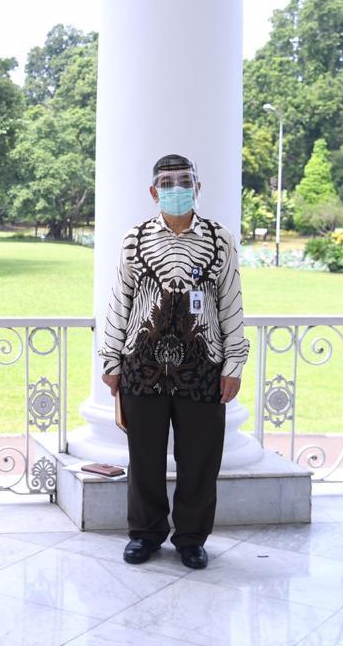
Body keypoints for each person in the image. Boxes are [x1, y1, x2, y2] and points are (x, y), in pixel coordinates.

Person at [99, 154, 248, 570]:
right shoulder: (135, 239)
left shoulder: (220, 239)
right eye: (167, 182)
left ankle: (191, 537)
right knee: (143, 456)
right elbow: (120, 301)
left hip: (203, 365)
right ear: (153, 191)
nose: (176, 188)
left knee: (199, 458)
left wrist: (233, 364)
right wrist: (112, 359)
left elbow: (231, 303)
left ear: (198, 188)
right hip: (142, 363)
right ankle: (145, 534)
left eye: (185, 181)